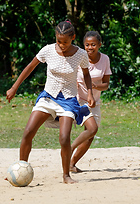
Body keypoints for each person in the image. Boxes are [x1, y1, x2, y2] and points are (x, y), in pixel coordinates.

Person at [6, 21, 96, 184]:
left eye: (65, 42)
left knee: (64, 138)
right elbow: (29, 67)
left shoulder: (81, 54)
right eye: (58, 41)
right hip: (48, 97)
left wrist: (89, 93)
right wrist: (14, 87)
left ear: (73, 38)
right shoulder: (48, 50)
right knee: (28, 131)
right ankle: (20, 168)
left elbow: (86, 74)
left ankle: (66, 175)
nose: (61, 45)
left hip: (68, 100)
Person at [70, 31, 112, 173]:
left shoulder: (105, 59)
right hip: (78, 100)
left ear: (99, 45)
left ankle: (72, 163)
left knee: (90, 135)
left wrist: (93, 87)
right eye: (87, 45)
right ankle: (69, 149)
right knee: (91, 129)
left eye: (93, 44)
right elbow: (71, 79)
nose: (90, 47)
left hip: (94, 101)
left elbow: (106, 84)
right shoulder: (79, 58)